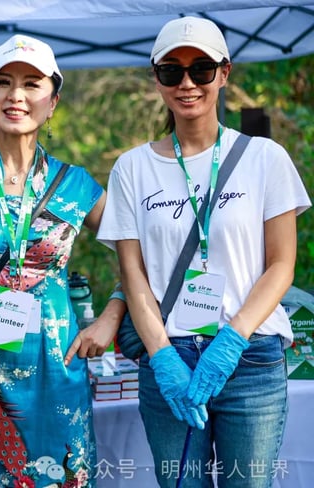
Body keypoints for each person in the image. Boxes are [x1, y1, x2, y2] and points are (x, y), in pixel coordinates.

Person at [97, 17, 311, 488]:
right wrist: (161, 356)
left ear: (224, 73)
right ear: (156, 78)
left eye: (201, 69)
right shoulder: (132, 168)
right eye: (171, 71)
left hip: (250, 355)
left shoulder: (265, 158)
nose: (187, 83)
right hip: (169, 352)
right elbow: (132, 274)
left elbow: (281, 264)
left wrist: (232, 339)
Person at [0, 34, 126, 488]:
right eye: (3, 82)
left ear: (52, 102)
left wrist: (110, 318)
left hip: (58, 370)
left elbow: (143, 255)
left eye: (32, 84)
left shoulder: (76, 186)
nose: (16, 95)